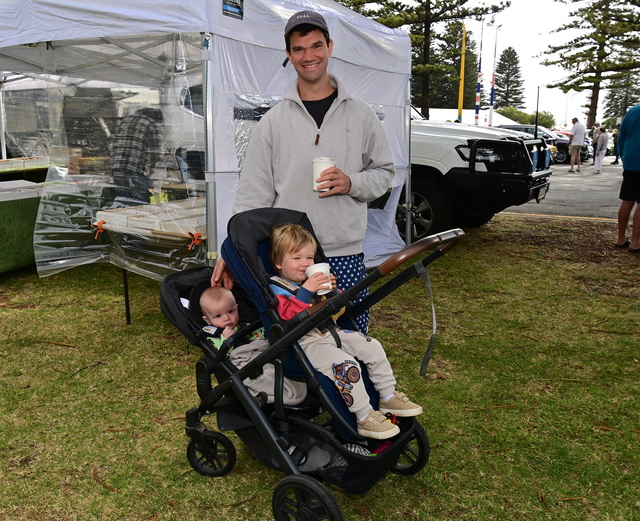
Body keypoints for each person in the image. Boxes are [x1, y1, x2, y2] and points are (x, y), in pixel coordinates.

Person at [211, 9, 395, 334]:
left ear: (330, 47)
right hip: (290, 262)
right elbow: (253, 194)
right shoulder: (273, 122)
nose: (309, 56)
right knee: (298, 345)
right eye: (299, 49)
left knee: (352, 338)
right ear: (288, 54)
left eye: (316, 46)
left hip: (344, 254)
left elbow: (383, 174)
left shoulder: (361, 115)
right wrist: (233, 250)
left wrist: (351, 182)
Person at [268, 222, 422, 439]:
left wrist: (332, 291)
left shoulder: (310, 281)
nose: (305, 264)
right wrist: (306, 291)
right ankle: (364, 416)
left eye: (309, 258)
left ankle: (388, 396)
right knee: (346, 366)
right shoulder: (277, 288)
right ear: (278, 263)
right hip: (305, 343)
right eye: (297, 258)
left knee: (371, 346)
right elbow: (287, 318)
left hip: (331, 332)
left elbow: (337, 305)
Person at [109, 108, 164, 206]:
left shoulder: (124, 121)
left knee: (122, 204)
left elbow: (112, 145)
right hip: (137, 170)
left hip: (117, 169)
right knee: (140, 205)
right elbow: (158, 154)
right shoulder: (153, 124)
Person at [199, 286, 265, 349]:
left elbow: (256, 336)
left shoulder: (243, 324)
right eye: (218, 316)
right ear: (208, 320)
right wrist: (226, 340)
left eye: (230, 311)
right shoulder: (213, 338)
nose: (227, 318)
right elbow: (220, 354)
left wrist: (261, 333)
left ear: (236, 309)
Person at [615, 105, 640, 253]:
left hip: (630, 161)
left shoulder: (633, 111)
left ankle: (621, 238)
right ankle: (636, 243)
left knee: (627, 200)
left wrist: (624, 156)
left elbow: (621, 137)